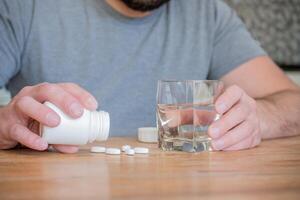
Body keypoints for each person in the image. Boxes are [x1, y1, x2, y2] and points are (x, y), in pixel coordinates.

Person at [0, 0, 299, 153]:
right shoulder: (27, 7)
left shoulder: (205, 12)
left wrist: (259, 117)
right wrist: (3, 124)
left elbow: (293, 103)